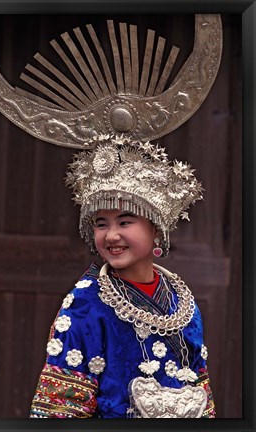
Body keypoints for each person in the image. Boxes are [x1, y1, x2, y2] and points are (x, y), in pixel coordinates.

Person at [29, 134, 216, 418]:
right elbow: (61, 410)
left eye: (125, 221)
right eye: (101, 223)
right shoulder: (85, 304)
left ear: (156, 228)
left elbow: (201, 391)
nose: (112, 235)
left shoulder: (181, 301)